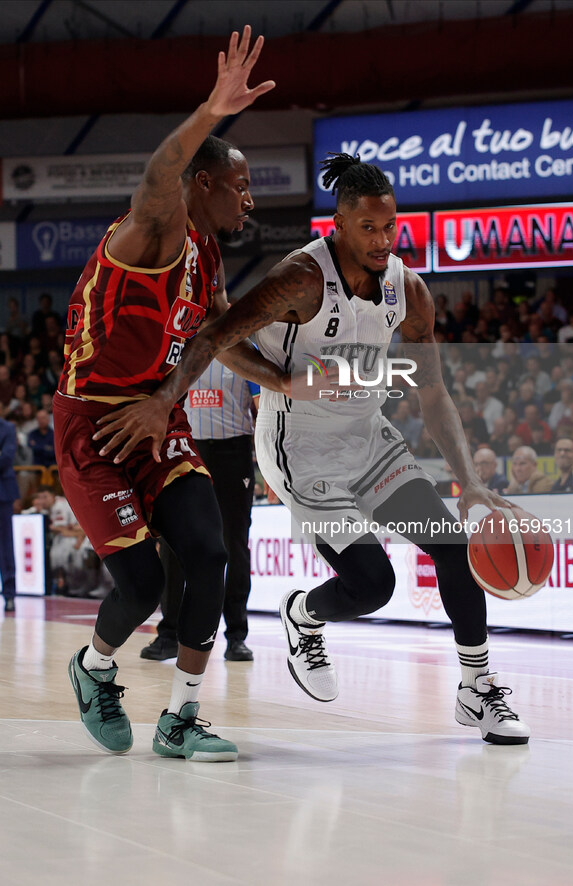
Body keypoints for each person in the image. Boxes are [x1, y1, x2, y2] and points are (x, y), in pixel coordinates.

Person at [97, 153, 531, 746]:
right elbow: (216, 337)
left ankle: (477, 690)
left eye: (390, 227)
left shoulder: (409, 292)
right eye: (369, 229)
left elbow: (432, 392)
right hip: (298, 448)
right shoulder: (302, 278)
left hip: (368, 440)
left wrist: (470, 483)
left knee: (451, 546)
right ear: (340, 225)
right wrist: (274, 382)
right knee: (373, 585)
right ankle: (304, 613)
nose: (383, 241)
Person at [54, 27, 280, 761]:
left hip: (156, 417)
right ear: (205, 183)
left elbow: (212, 335)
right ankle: (93, 670)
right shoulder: (150, 231)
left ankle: (182, 717)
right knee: (144, 584)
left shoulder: (208, 254)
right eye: (240, 185)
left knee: (209, 551)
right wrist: (213, 110)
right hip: (93, 423)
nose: (248, 200)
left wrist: (283, 383)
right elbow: (160, 170)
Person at [141, 358, 258, 663]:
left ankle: (236, 636)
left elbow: (262, 408)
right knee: (172, 541)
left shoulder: (248, 352)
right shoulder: (180, 352)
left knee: (234, 544)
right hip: (185, 449)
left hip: (234, 451)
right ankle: (167, 635)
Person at [0, 403, 19, 612]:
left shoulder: (7, 428)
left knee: (5, 547)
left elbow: (5, 458)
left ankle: (9, 593)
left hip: (2, 494)